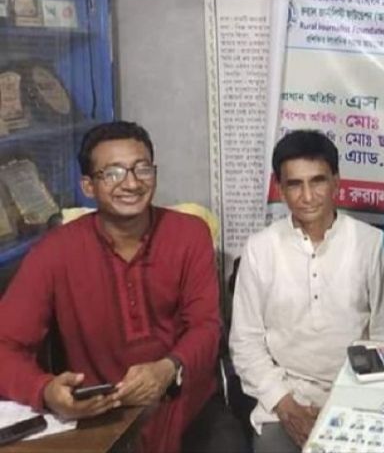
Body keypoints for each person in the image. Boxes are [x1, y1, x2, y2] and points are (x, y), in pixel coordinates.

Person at [0, 121, 247, 452]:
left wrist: (168, 368)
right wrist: (45, 390)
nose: (131, 183)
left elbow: (205, 325)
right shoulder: (54, 252)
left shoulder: (189, 234)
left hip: (186, 402)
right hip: (103, 412)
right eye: (113, 173)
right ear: (88, 186)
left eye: (142, 169)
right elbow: (4, 345)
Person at [230, 130, 384, 453]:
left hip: (358, 393)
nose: (307, 196)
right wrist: (286, 406)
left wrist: (357, 402)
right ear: (280, 189)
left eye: (318, 181)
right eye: (295, 184)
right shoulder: (260, 249)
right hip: (284, 399)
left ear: (336, 182)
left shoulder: (372, 245)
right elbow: (245, 343)